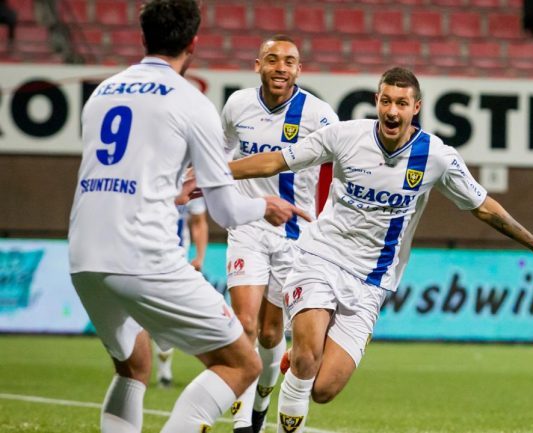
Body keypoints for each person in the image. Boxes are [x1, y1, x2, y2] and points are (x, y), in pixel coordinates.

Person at [225, 66, 533, 433]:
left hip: (371, 281)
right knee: (307, 360)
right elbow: (276, 160)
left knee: (324, 389)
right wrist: (216, 173)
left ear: (416, 108)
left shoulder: (436, 156)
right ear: (377, 101)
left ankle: (297, 357)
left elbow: (484, 207)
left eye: (402, 103)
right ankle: (297, 365)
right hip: (320, 257)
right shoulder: (345, 135)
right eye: (386, 101)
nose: (392, 111)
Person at [67, 1, 309, 432]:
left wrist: (171, 189)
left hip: (83, 256)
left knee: (133, 366)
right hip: (143, 256)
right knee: (242, 363)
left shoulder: (102, 92)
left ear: (143, 38)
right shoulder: (191, 102)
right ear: (193, 43)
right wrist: (266, 206)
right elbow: (225, 209)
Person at [221, 34, 338, 433]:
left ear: (299, 70)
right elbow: (221, 153)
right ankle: (242, 423)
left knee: (272, 334)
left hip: (296, 236)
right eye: (272, 59)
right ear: (258, 66)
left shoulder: (319, 115)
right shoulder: (237, 105)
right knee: (245, 323)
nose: (280, 67)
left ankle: (262, 399)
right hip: (247, 226)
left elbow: (343, 167)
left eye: (289, 61)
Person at [154, 197, 209, 388]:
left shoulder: (192, 184)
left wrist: (200, 257)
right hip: (144, 255)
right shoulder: (145, 180)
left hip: (176, 259)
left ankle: (164, 369)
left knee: (167, 312)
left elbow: (199, 220)